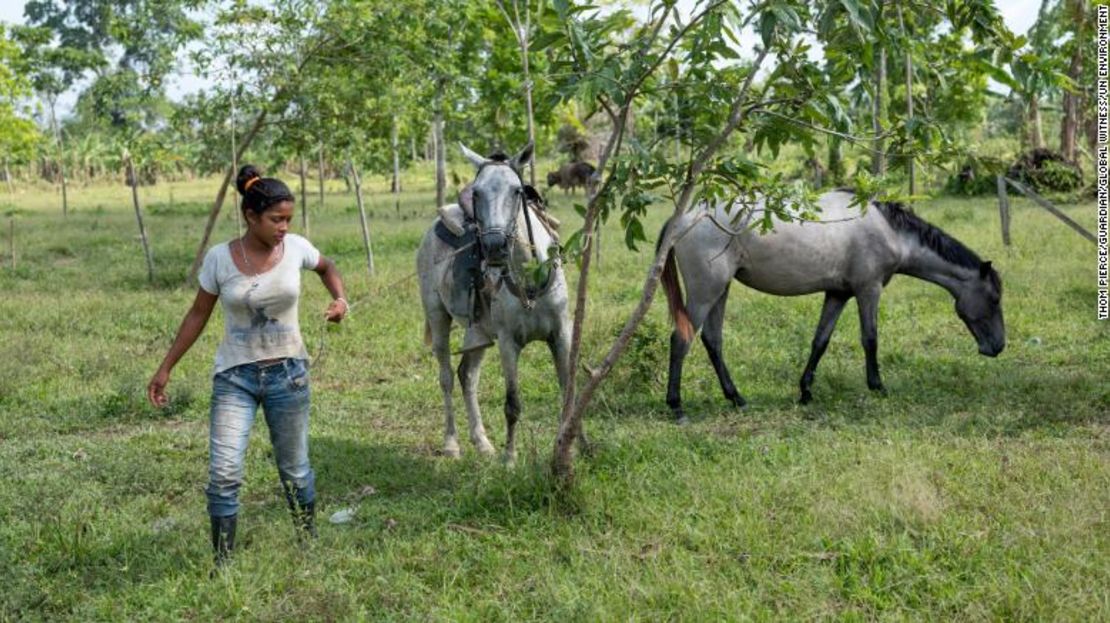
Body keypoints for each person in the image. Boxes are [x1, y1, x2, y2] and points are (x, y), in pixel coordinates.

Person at [148, 164, 348, 567]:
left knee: (294, 469)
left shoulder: (296, 248)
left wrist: (340, 300)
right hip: (234, 378)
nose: (284, 227)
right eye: (276, 219)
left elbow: (327, 268)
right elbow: (197, 314)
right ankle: (222, 564)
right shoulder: (220, 259)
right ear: (250, 216)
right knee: (223, 473)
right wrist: (166, 366)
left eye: (289, 219)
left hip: (288, 376)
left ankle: (307, 544)